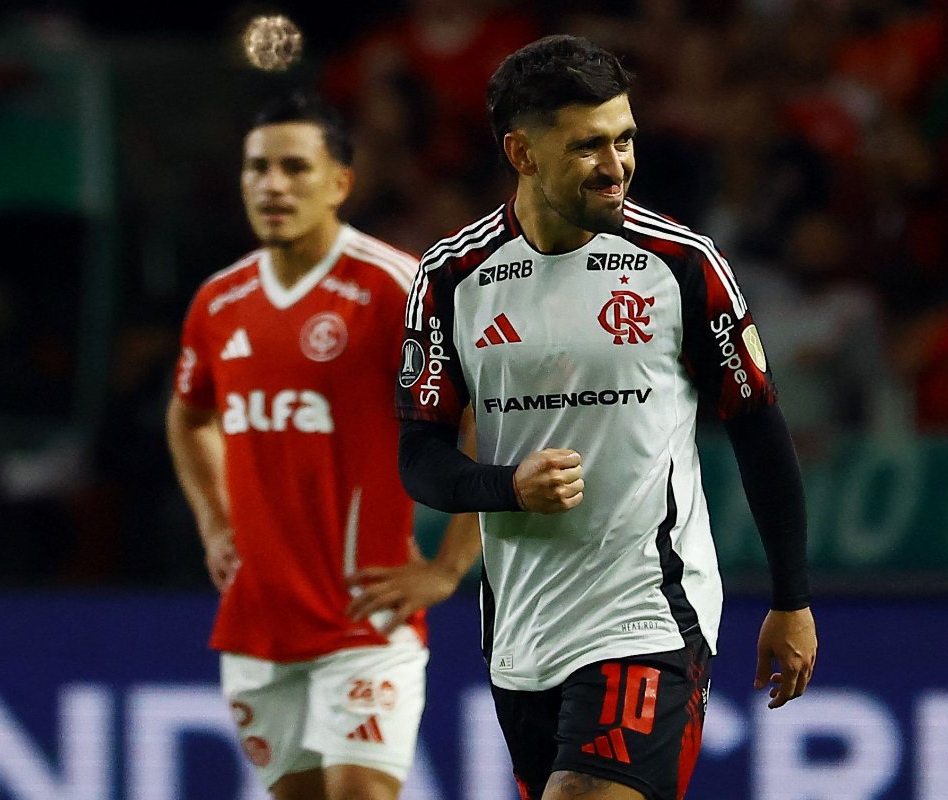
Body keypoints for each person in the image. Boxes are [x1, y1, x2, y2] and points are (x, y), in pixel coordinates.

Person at [395, 35, 817, 800]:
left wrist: (791, 597)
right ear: (522, 153)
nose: (617, 163)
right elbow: (419, 454)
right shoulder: (452, 277)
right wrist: (506, 487)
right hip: (522, 630)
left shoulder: (681, 264)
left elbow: (757, 423)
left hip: (651, 612)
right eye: (589, 145)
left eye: (624, 138)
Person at [166, 90, 480, 800]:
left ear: (341, 182)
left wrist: (450, 565)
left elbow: (484, 417)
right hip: (257, 623)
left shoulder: (394, 288)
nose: (273, 185)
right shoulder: (218, 303)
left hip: (366, 617)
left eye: (295, 168)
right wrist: (214, 522)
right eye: (258, 168)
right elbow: (188, 416)